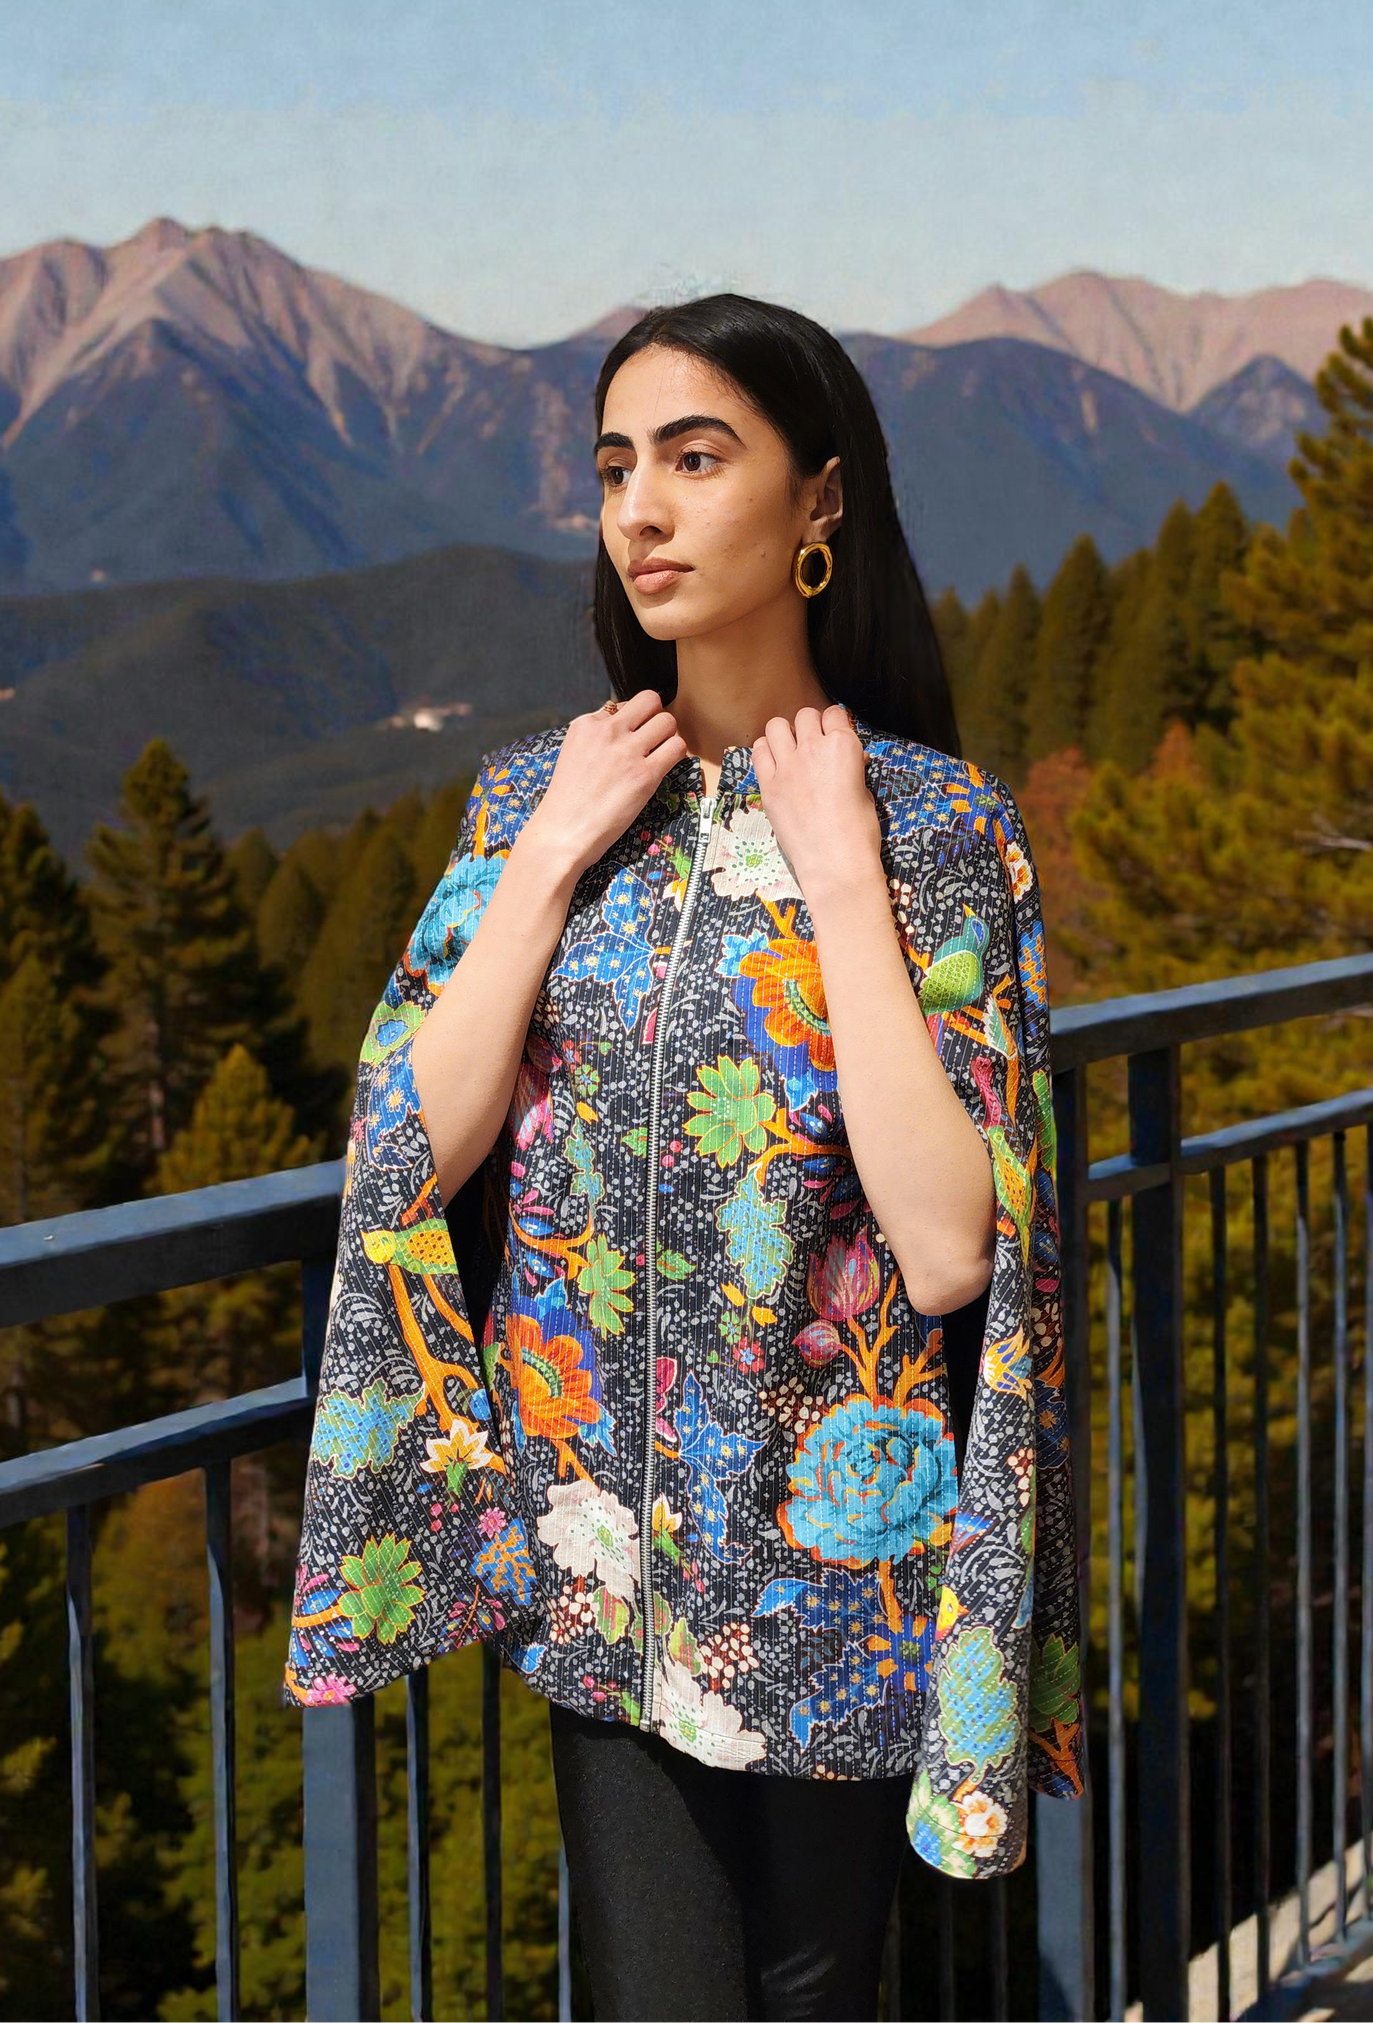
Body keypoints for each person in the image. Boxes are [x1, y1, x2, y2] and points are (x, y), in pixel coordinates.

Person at [284, 292, 1088, 2023]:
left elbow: (953, 1250)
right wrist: (550, 861)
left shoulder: (941, 828)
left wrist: (842, 874)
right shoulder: (533, 799)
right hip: (600, 1575)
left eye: (696, 457)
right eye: (614, 465)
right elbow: (403, 1157)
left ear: (820, 504)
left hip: (832, 1588)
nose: (638, 507)